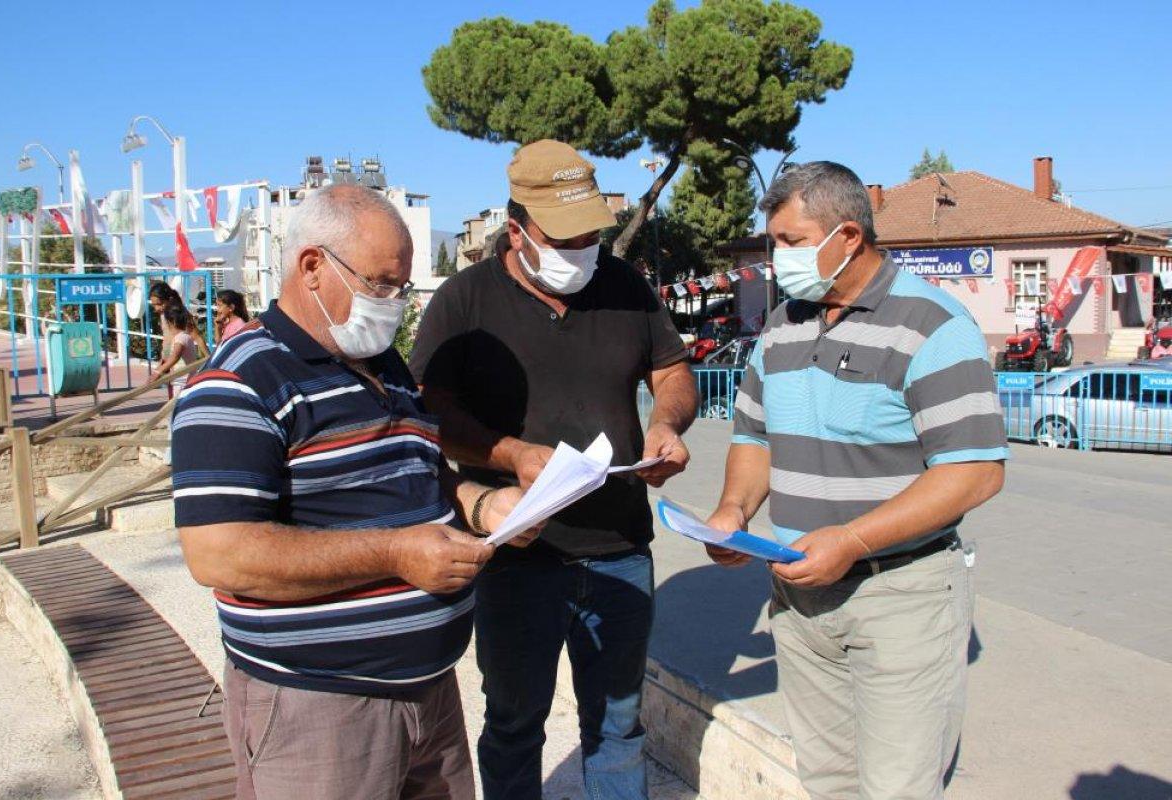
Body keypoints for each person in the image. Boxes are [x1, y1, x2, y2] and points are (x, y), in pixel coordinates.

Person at [172, 184, 542, 800]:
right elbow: (220, 554)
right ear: (312, 267)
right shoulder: (236, 384)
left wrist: (479, 504)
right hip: (317, 711)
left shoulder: (380, 362)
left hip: (430, 695)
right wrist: (397, 554)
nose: (394, 303)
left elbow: (420, 473)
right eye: (379, 284)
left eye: (401, 287)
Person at [705, 162, 1008, 800]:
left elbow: (976, 471)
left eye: (791, 241)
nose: (778, 257)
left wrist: (851, 540)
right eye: (774, 242)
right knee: (829, 786)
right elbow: (755, 438)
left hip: (900, 597)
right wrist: (733, 511)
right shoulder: (783, 324)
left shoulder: (932, 325)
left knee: (897, 789)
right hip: (800, 601)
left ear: (847, 237)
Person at [410, 139, 699, 800]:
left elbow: (673, 371)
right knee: (515, 726)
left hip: (621, 550)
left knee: (619, 728)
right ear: (517, 231)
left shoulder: (625, 286)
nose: (584, 248)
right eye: (566, 237)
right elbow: (427, 410)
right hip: (516, 559)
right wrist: (508, 455)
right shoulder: (464, 301)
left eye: (592, 232)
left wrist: (667, 422)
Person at [150, 304, 199, 393]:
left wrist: (158, 371)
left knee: (177, 406)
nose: (162, 325)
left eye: (164, 322)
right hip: (181, 382)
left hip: (182, 384)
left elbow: (175, 357)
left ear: (172, 322)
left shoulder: (181, 338)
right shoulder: (183, 337)